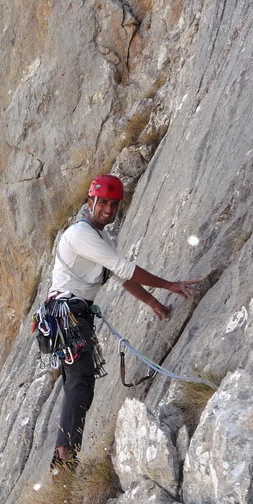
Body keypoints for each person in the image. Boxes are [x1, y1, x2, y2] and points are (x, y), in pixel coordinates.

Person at [47, 174, 200, 471]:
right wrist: (169, 285)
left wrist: (153, 302)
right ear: (89, 202)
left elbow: (121, 276)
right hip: (67, 313)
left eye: (113, 205)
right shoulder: (80, 234)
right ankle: (65, 459)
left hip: (72, 314)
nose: (107, 210)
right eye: (102, 202)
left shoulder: (100, 236)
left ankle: (64, 457)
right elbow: (123, 269)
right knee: (80, 382)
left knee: (78, 382)